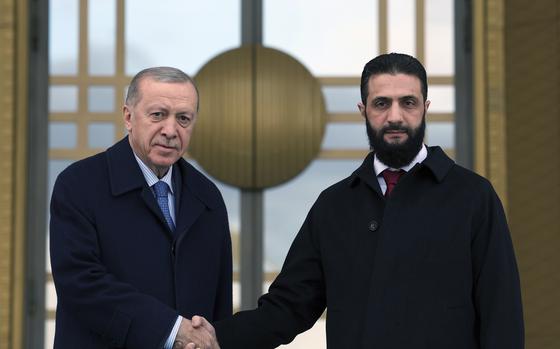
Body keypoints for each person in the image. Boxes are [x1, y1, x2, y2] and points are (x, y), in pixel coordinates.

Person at [186, 53, 525, 348]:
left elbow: (501, 315)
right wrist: (218, 337)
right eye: (381, 104)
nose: (395, 116)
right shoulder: (333, 206)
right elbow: (289, 307)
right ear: (363, 110)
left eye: (408, 102)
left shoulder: (473, 197)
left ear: (425, 108)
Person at [50, 67, 231, 349]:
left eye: (183, 119)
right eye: (158, 114)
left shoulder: (207, 197)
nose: (171, 130)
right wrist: (172, 330)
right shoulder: (78, 185)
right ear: (128, 117)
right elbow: (80, 284)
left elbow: (219, 307)